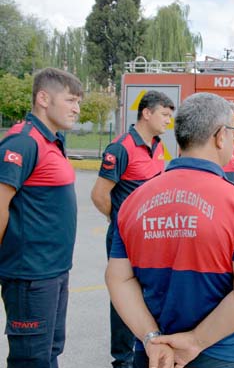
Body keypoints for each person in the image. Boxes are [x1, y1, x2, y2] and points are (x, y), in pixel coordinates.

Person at [105, 93, 234, 368]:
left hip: (154, 355)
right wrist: (195, 341)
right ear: (220, 136)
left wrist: (151, 337)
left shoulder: (134, 201)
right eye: (233, 132)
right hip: (221, 354)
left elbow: (117, 279)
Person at [0, 67, 83, 367]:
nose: (77, 109)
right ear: (44, 99)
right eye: (71, 100)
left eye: (78, 102)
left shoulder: (52, 141)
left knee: (49, 353)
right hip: (30, 276)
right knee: (30, 359)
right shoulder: (23, 142)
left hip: (54, 271)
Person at [91, 90, 174, 368]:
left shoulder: (158, 146)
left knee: (149, 291)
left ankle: (144, 346)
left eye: (170, 116)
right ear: (146, 113)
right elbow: (99, 195)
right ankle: (122, 358)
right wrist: (119, 220)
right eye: (164, 114)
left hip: (151, 235)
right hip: (125, 237)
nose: (168, 121)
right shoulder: (121, 148)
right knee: (124, 294)